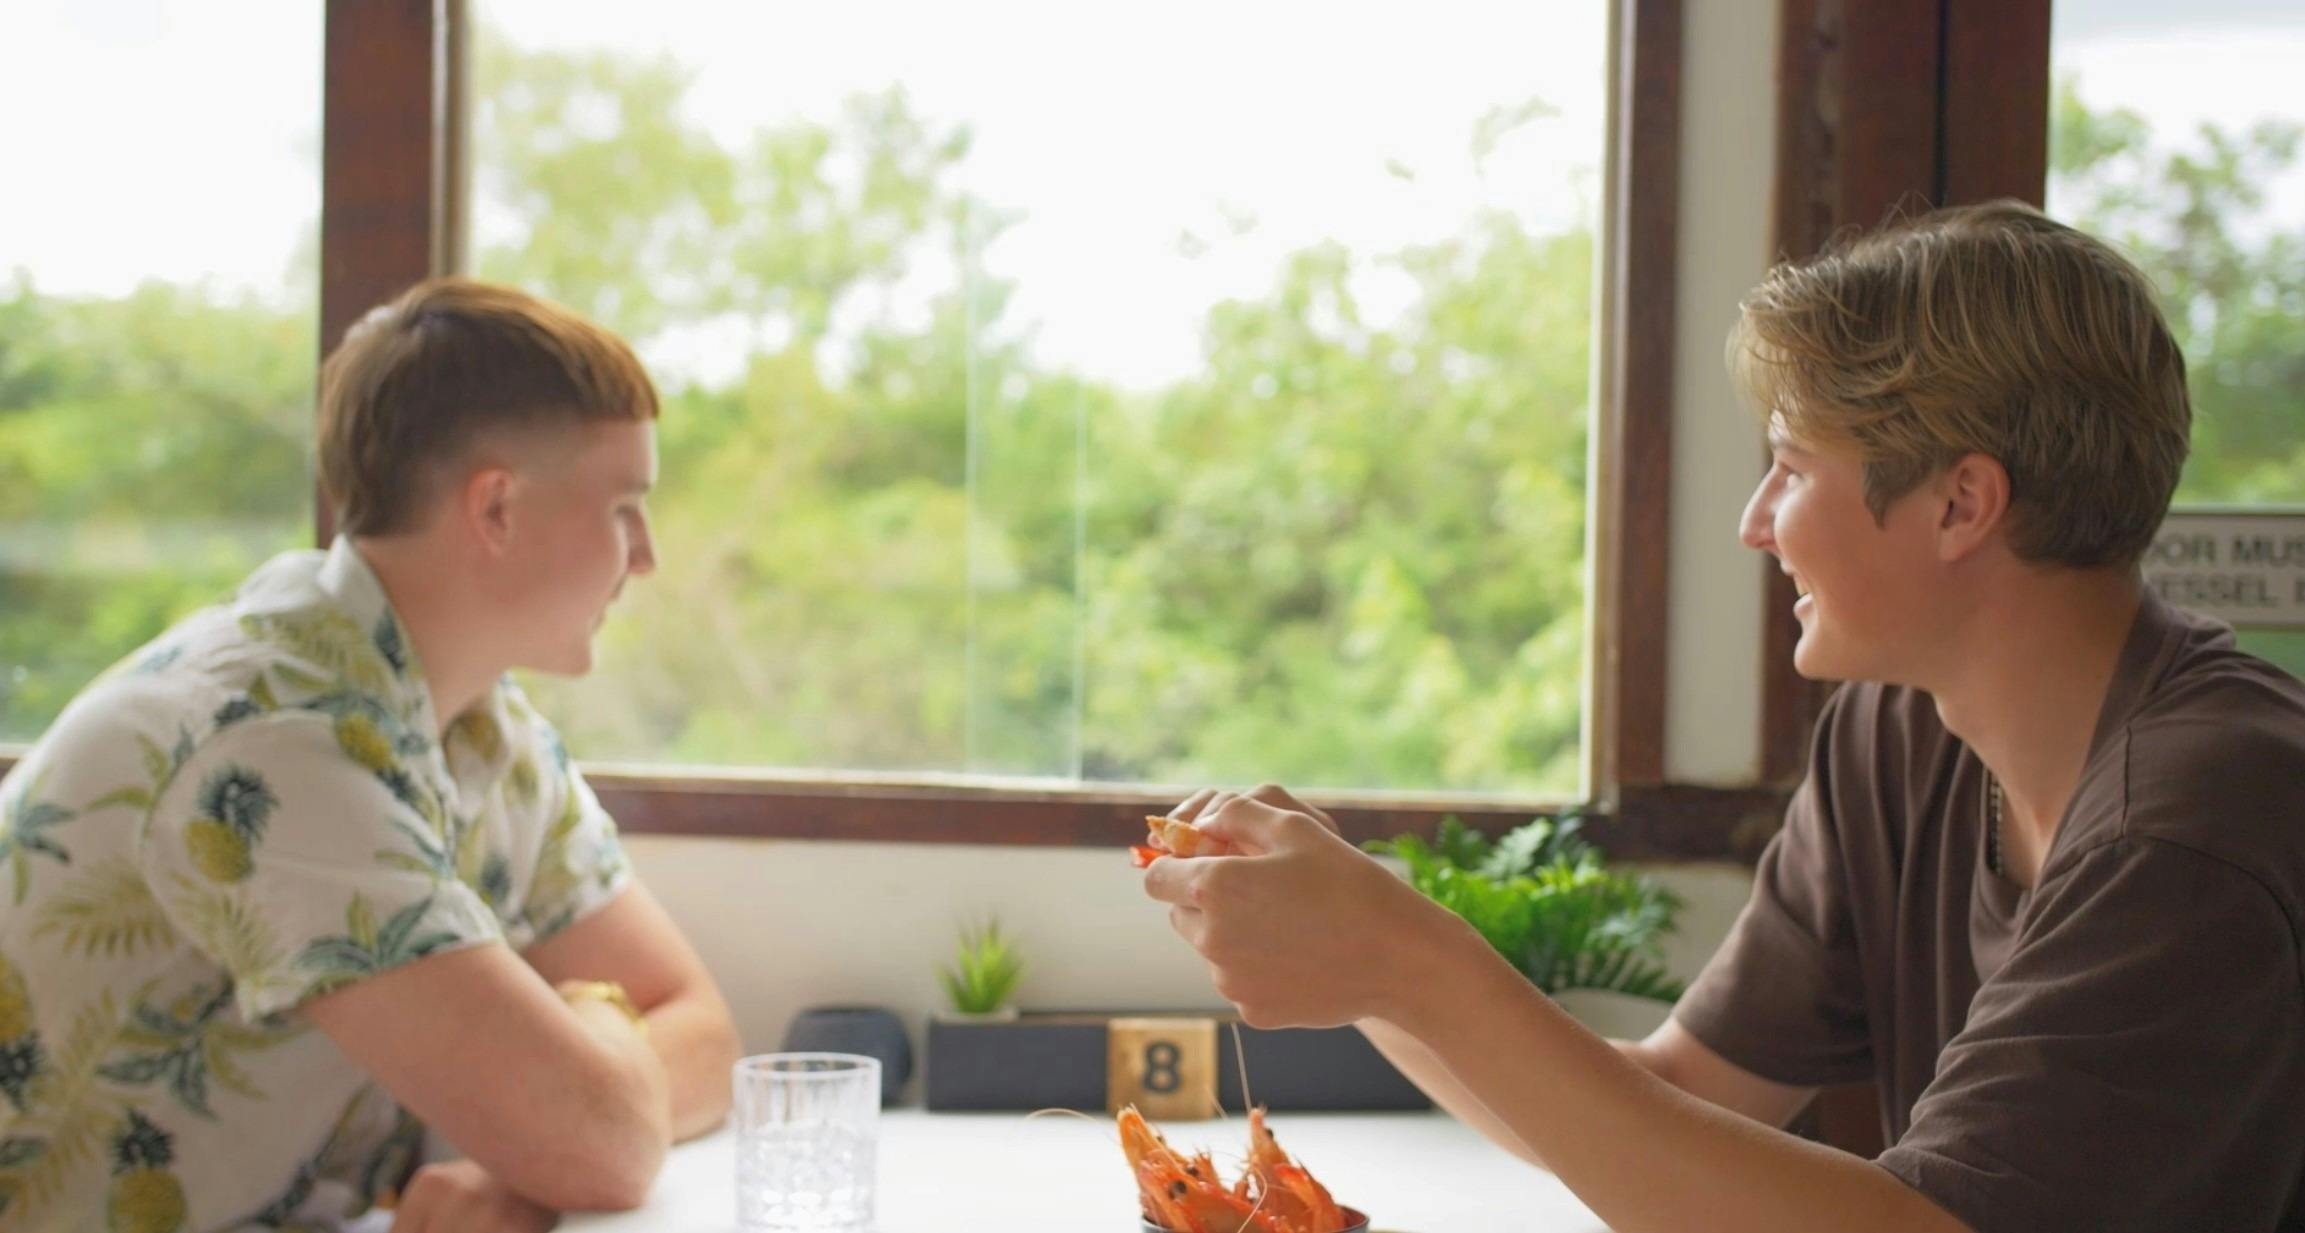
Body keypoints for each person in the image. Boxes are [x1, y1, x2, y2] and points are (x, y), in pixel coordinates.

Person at [1142, 201, 2305, 1232]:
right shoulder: (1898, 735)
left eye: (1790, 467)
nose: (1755, 523)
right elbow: (1677, 1103)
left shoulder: (2193, 824)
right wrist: (1364, 950)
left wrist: (1411, 965)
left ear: (1960, 503)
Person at [0, 279, 742, 1230]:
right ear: (497, 508)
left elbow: (701, 1029)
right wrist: (585, 1055)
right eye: (624, 507)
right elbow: (610, 1145)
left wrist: (517, 1166)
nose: (645, 556)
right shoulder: (269, 743)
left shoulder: (484, 729)